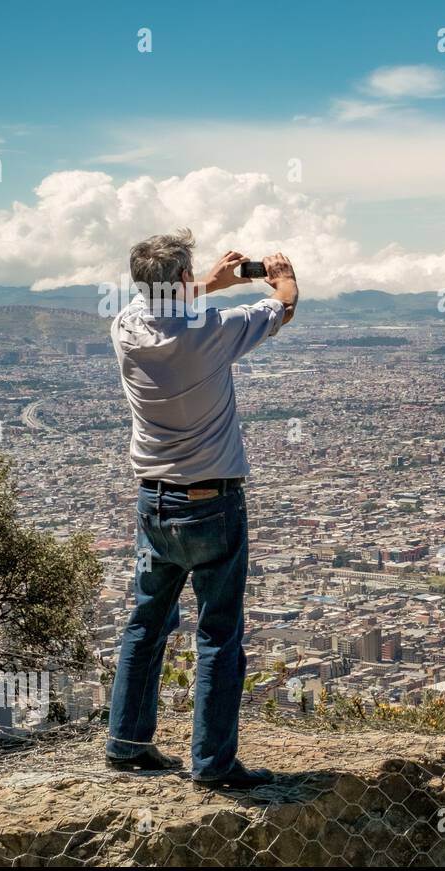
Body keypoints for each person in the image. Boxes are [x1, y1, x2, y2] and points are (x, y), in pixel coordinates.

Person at [104, 229, 298, 788]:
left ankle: (127, 744)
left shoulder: (126, 328)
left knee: (145, 624)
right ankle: (212, 765)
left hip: (153, 504)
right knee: (217, 633)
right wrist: (283, 277)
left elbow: (167, 306)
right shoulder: (213, 331)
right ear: (183, 281)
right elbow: (282, 308)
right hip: (212, 504)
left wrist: (206, 282)